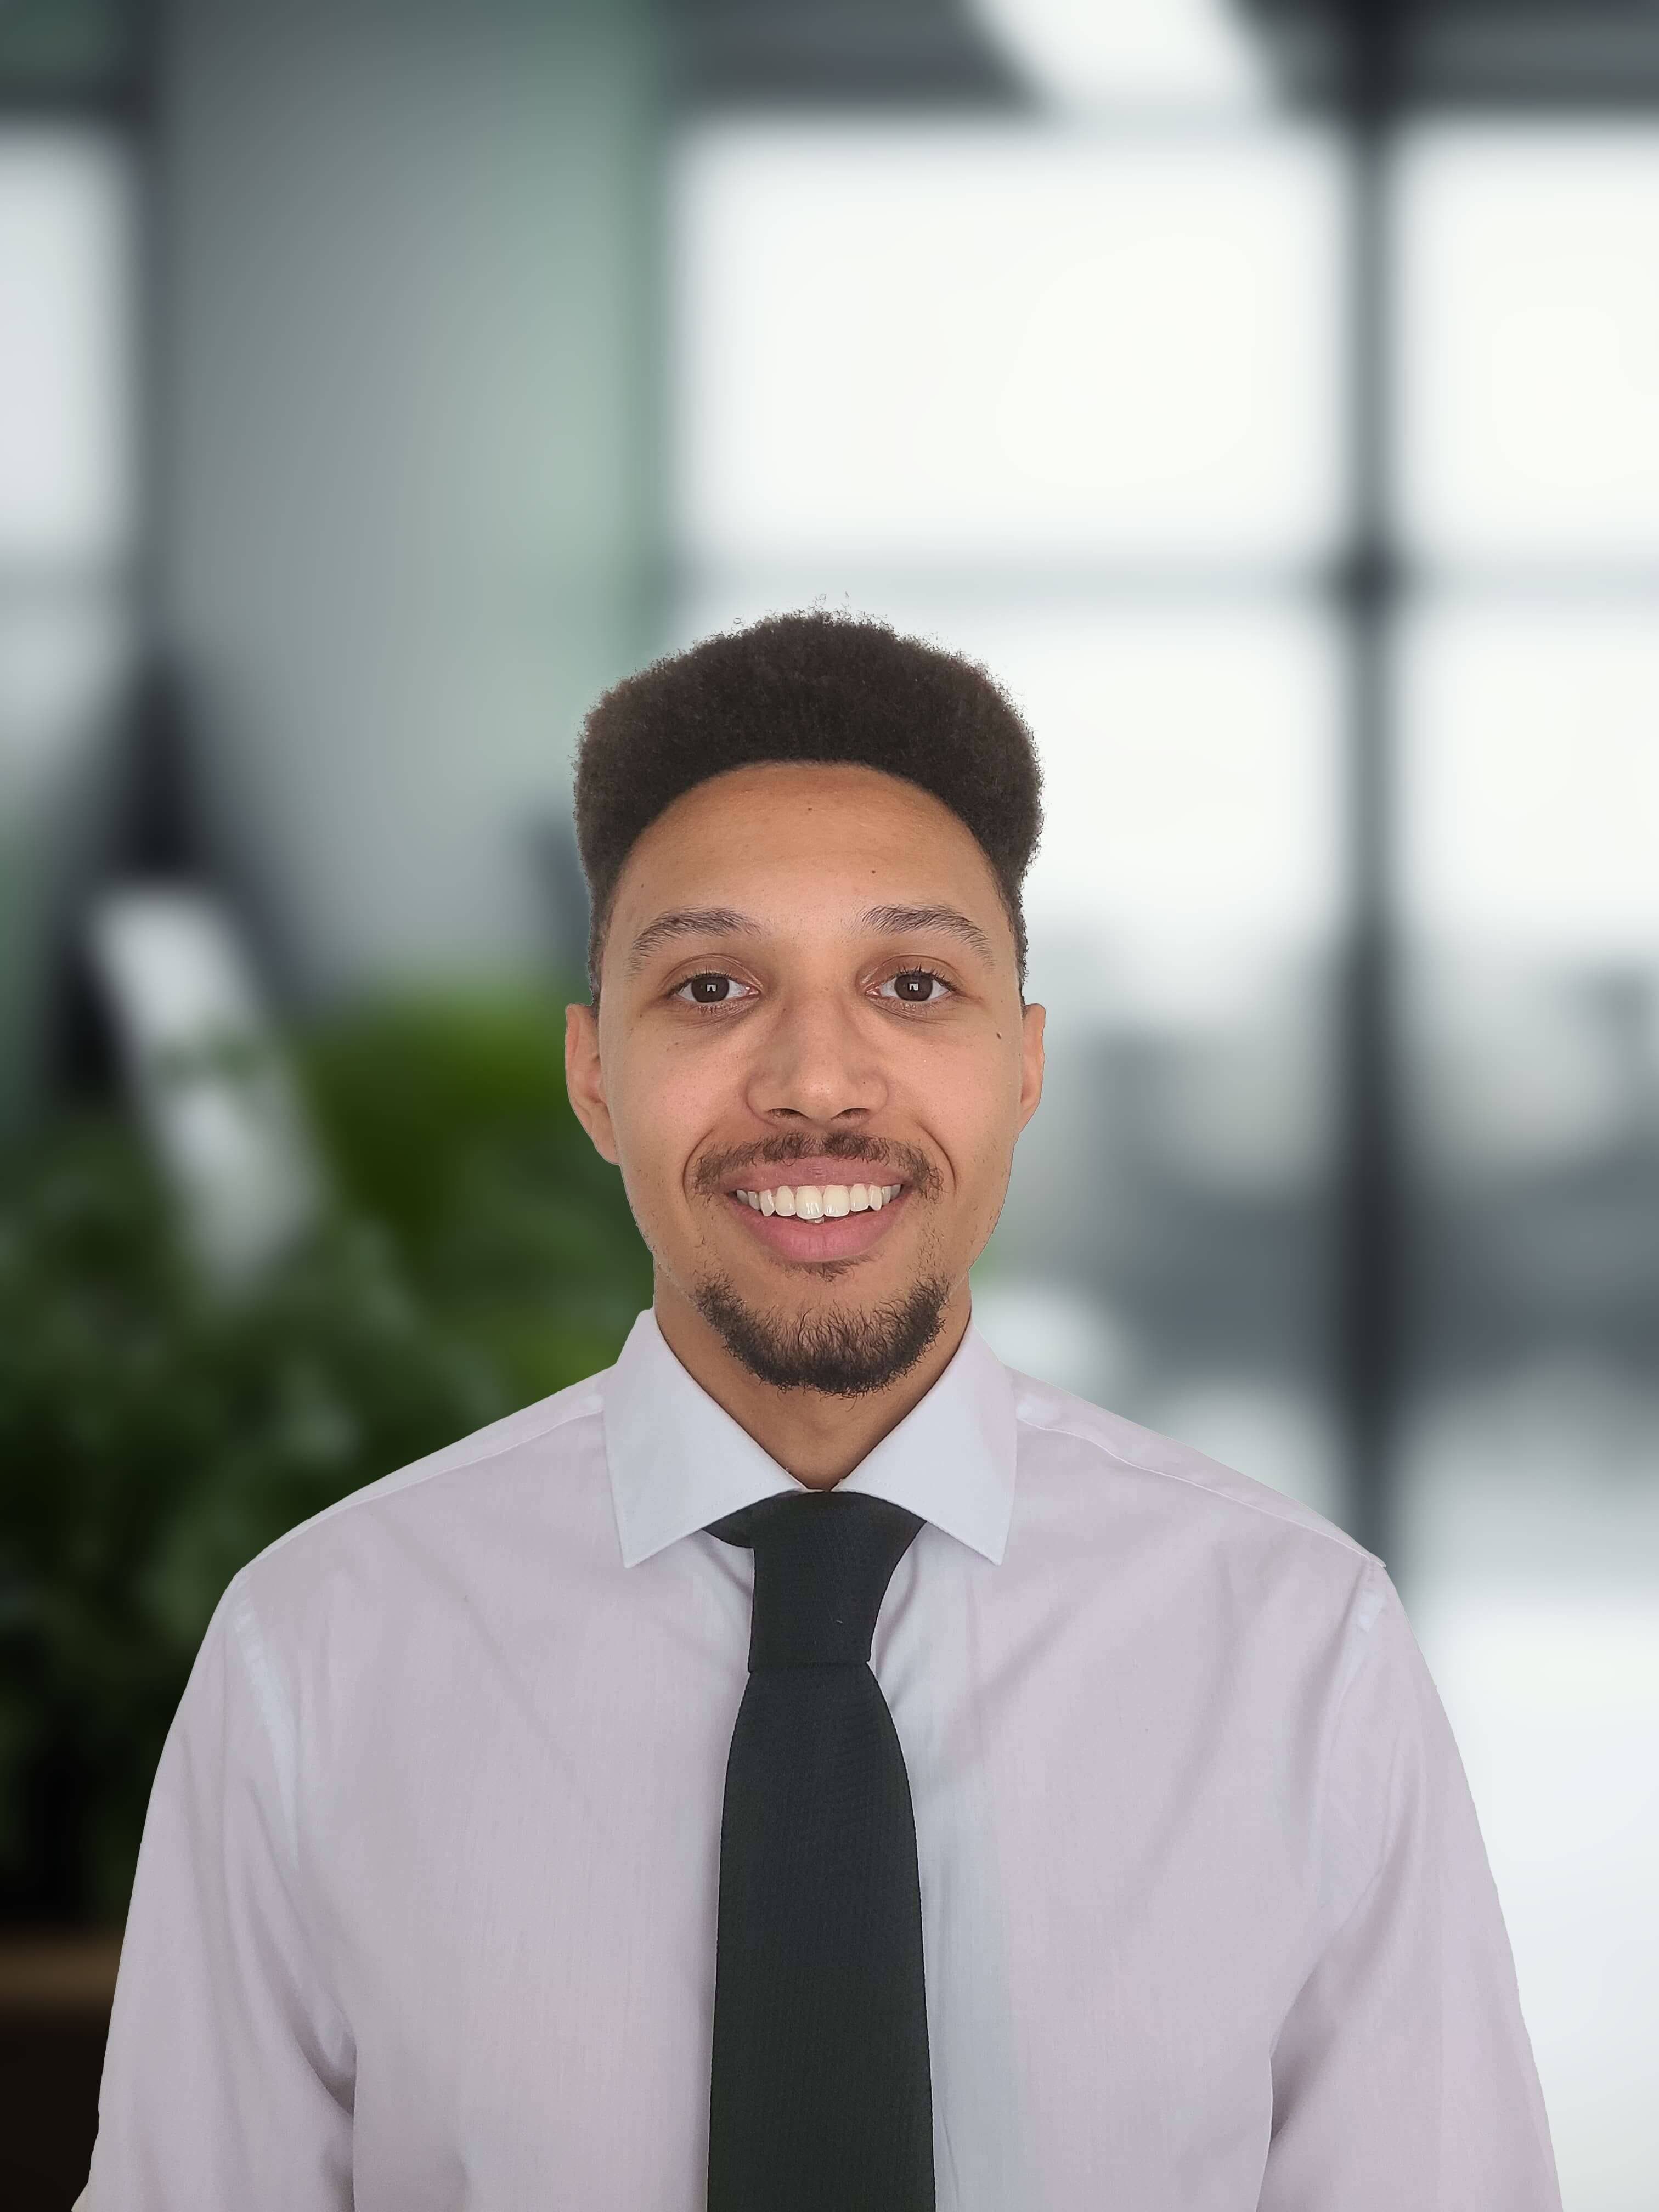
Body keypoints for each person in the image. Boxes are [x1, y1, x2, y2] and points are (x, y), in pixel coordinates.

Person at [78, 611, 1562, 2209]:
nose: (816, 1081)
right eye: (713, 985)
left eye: (912, 984)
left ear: (1023, 1065)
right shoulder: (318, 1650)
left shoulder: (1298, 1651)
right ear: (594, 1076)